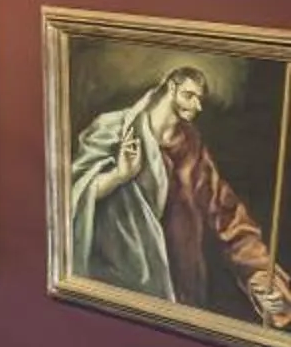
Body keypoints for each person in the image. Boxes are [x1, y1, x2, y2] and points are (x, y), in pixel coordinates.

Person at [68, 66, 291, 328]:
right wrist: (119, 175)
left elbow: (228, 216)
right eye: (190, 95)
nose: (197, 106)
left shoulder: (191, 148)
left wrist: (260, 275)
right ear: (171, 87)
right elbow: (72, 196)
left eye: (200, 99)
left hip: (181, 297)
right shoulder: (112, 129)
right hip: (115, 288)